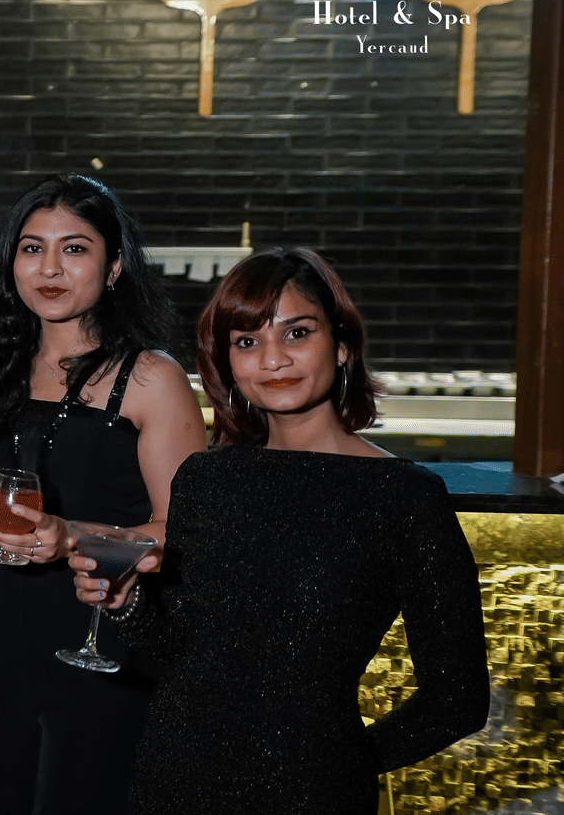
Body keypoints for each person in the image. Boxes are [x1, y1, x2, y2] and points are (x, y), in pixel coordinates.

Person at [79, 247, 490, 814]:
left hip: (308, 792)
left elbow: (459, 699)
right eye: (247, 342)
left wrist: (347, 760)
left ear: (342, 345)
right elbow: (181, 653)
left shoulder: (403, 497)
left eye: (296, 334)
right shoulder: (206, 479)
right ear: (226, 363)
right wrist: (128, 605)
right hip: (174, 777)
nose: (272, 359)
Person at [0, 173, 205, 814]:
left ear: (115, 264)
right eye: (32, 248)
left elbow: (188, 530)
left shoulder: (150, 379)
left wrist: (75, 537)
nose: (49, 268)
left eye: (75, 249)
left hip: (101, 628)